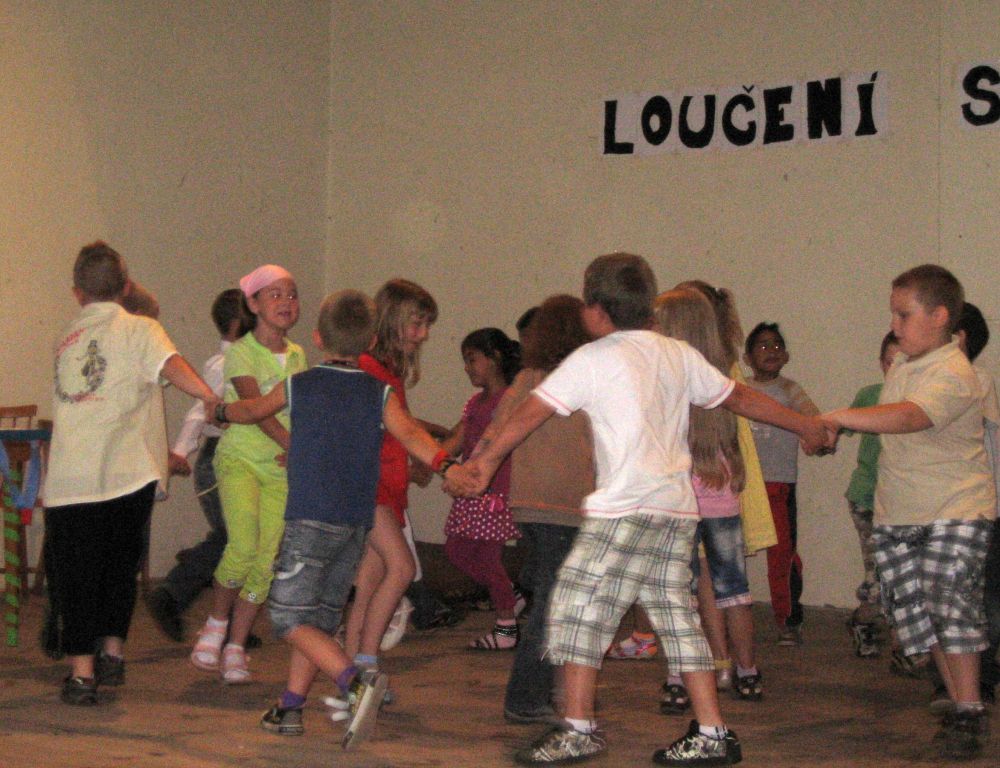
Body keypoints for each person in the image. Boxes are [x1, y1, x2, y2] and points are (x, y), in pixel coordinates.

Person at [447, 253, 833, 766]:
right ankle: (713, 732)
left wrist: (483, 463)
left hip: (626, 509)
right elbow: (739, 398)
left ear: (595, 311)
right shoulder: (677, 354)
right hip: (675, 510)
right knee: (676, 617)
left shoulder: (593, 359)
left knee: (576, 610)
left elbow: (528, 413)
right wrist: (803, 424)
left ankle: (578, 729)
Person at [211, 289, 461, 746]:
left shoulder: (299, 383)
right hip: (354, 524)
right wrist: (450, 467)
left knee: (287, 617)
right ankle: (289, 707)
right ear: (370, 340)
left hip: (310, 520)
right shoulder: (379, 391)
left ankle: (354, 683)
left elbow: (252, 410)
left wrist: (222, 410)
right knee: (318, 620)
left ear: (317, 338)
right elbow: (411, 435)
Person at [824, 265, 996, 760]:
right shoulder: (902, 365)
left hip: (954, 508)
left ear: (940, 316)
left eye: (904, 315)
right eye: (893, 315)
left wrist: (836, 417)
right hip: (898, 513)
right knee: (920, 613)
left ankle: (970, 710)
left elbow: (910, 417)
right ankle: (959, 703)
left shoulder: (956, 372)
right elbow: (889, 414)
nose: (894, 325)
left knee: (949, 602)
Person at [44, 241, 217, 705]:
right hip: (128, 474)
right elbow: (171, 366)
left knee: (78, 576)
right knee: (119, 568)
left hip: (71, 478)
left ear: (77, 293)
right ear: (124, 287)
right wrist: (208, 396)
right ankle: (113, 654)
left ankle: (82, 676)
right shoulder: (142, 329)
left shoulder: (64, 335)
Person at [190, 265, 307, 683]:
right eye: (274, 295)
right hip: (241, 460)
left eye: (291, 294)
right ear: (253, 304)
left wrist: (299, 449)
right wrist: (294, 446)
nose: (286, 302)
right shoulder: (240, 352)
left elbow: (302, 412)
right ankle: (216, 623)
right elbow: (257, 409)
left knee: (267, 559)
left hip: (280, 468)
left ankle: (237, 645)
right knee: (241, 547)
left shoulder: (298, 356)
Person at [483, 296, 594, 722]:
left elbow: (497, 429)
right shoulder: (585, 377)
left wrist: (474, 468)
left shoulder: (528, 378)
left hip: (531, 504)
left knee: (555, 595)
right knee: (554, 604)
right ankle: (526, 699)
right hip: (566, 503)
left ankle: (555, 691)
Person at [655, 288, 763, 706]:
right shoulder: (720, 373)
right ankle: (747, 671)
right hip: (712, 497)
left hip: (683, 500)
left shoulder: (675, 375)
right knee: (732, 591)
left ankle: (680, 676)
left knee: (680, 594)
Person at [343, 279, 448, 676]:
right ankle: (367, 662)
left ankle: (350, 673)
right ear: (391, 320)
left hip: (386, 486)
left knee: (368, 583)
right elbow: (395, 430)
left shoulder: (386, 370)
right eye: (416, 324)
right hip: (367, 487)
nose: (423, 335)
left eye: (426, 325)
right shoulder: (368, 368)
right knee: (401, 568)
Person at [145, 289, 253, 642]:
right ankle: (172, 593)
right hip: (219, 460)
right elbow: (199, 411)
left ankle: (230, 621)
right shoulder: (226, 364)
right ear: (236, 323)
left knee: (240, 539)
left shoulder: (252, 359)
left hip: (241, 458)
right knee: (233, 538)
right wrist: (180, 451)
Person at [743, 321, 820, 645]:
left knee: (782, 556)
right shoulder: (740, 389)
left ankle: (788, 619)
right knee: (732, 554)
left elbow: (812, 417)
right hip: (743, 485)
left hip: (779, 484)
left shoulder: (790, 389)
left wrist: (817, 434)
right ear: (747, 358)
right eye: (762, 345)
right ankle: (732, 618)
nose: (771, 351)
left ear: (786, 356)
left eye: (776, 345)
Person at [841, 331, 899, 658]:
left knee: (898, 575)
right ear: (881, 363)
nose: (896, 369)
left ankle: (900, 642)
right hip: (867, 498)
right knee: (878, 575)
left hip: (903, 502)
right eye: (890, 362)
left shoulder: (921, 401)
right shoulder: (871, 395)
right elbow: (843, 425)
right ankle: (863, 620)